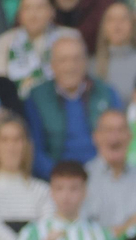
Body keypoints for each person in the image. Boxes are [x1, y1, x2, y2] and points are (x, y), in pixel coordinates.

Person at [23, 35, 121, 178]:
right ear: (52, 65)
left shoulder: (106, 93)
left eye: (76, 59)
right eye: (63, 60)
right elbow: (34, 149)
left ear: (86, 62)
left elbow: (119, 140)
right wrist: (59, 177)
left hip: (101, 176)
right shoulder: (37, 97)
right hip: (57, 179)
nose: (70, 66)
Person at [79, 109, 136, 232]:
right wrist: (124, 228)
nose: (115, 137)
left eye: (121, 130)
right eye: (108, 130)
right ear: (95, 137)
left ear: (130, 136)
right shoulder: (83, 178)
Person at [93, 2, 136, 101]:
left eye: (123, 19)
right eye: (111, 20)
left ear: (133, 25)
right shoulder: (93, 66)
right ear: (103, 27)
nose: (117, 24)